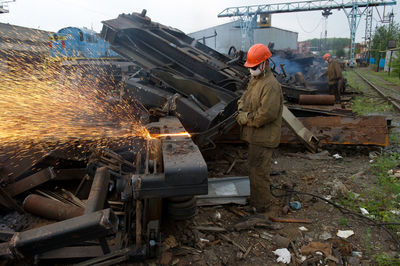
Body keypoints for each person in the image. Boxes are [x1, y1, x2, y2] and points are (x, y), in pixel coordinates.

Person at [236, 43, 283, 212]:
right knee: (254, 170)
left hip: (264, 138)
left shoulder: (270, 85)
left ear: (265, 63)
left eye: (255, 67)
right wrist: (241, 106)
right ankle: (257, 201)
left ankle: (262, 207)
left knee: (259, 174)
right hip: (255, 137)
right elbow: (244, 97)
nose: (252, 70)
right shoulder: (256, 80)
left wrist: (245, 118)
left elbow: (266, 114)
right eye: (250, 67)